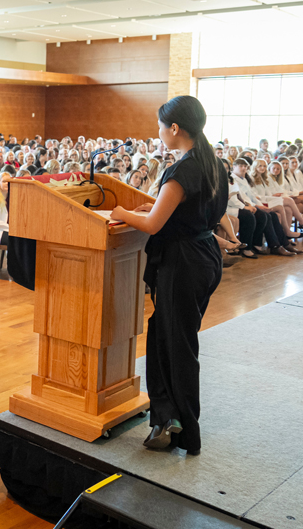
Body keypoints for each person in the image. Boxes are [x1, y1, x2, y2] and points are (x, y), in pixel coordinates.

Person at [110, 96, 228, 456]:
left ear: (175, 128)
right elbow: (189, 211)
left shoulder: (182, 170)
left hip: (183, 263)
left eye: (161, 126)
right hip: (204, 255)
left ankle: (187, 432)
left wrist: (121, 211)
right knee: (166, 339)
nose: (159, 132)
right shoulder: (212, 163)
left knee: (178, 348)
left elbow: (152, 224)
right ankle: (167, 418)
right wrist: (155, 207)